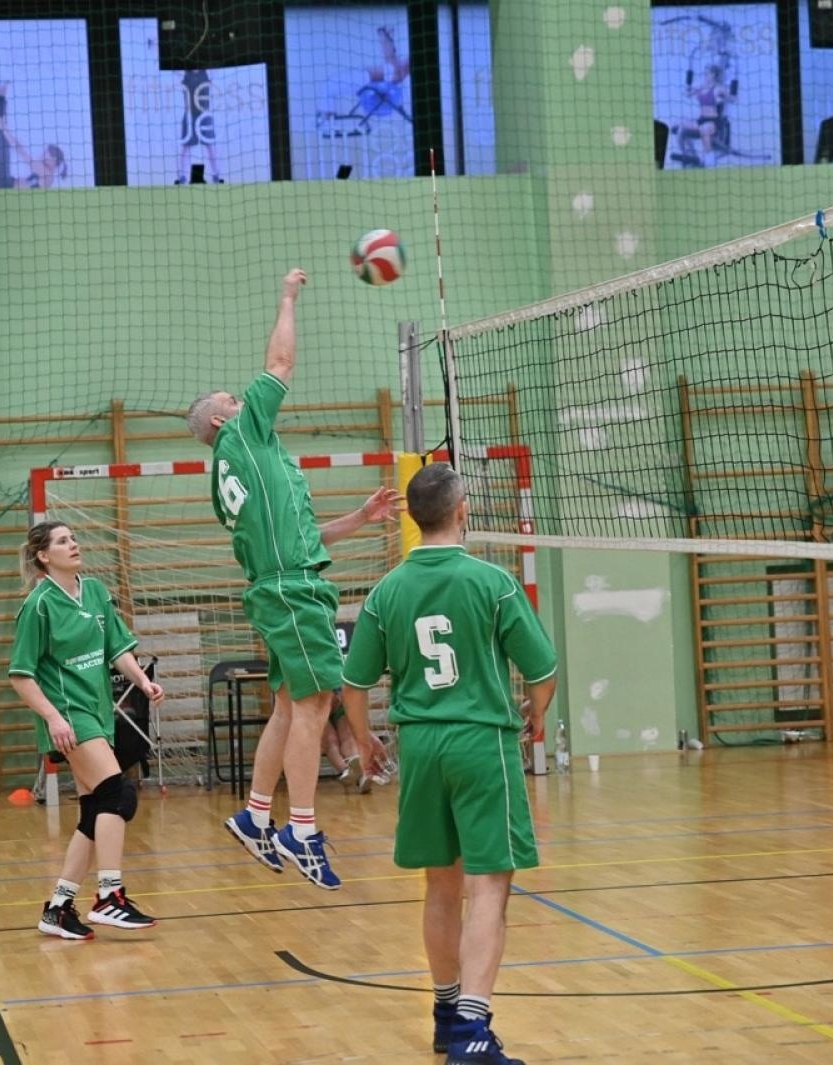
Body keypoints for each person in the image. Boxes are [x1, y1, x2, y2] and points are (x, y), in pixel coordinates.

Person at [187, 268, 399, 890]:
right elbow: (280, 360)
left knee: (288, 704)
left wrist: (360, 518)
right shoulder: (244, 438)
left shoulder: (261, 460)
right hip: (290, 590)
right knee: (316, 703)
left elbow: (303, 538)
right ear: (223, 422)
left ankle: (257, 816)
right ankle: (301, 830)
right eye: (232, 399)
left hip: (283, 581)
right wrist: (286, 296)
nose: (242, 399)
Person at [339, 463, 557, 1065]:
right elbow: (542, 671)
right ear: (462, 511)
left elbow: (353, 685)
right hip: (482, 742)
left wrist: (363, 741)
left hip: (420, 746)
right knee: (489, 884)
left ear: (411, 515)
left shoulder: (386, 591)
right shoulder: (492, 581)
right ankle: (473, 1031)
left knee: (440, 884)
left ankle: (445, 1010)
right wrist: (535, 716)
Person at [10, 521, 165, 938]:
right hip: (67, 714)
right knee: (118, 793)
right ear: (44, 556)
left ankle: (59, 907)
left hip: (96, 713)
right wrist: (53, 718)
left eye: (73, 538)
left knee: (96, 810)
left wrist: (142, 681)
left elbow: (118, 649)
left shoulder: (94, 591)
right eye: (63, 541)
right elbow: (21, 675)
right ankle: (109, 897)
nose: (74, 544)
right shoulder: (39, 605)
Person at [0, 83, 68, 190]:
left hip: (1, 184)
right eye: (45, 152)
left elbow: (20, 150)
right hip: (6, 182)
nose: (43, 154)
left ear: (54, 161)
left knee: (2, 138)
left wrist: (3, 127)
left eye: (47, 154)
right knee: (3, 136)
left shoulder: (46, 174)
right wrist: (3, 127)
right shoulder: (46, 174)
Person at [175, 70, 225, 185]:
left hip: (204, 116)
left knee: (210, 146)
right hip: (189, 116)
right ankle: (182, 176)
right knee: (185, 147)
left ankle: (216, 175)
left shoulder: (208, 72)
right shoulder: (184, 74)